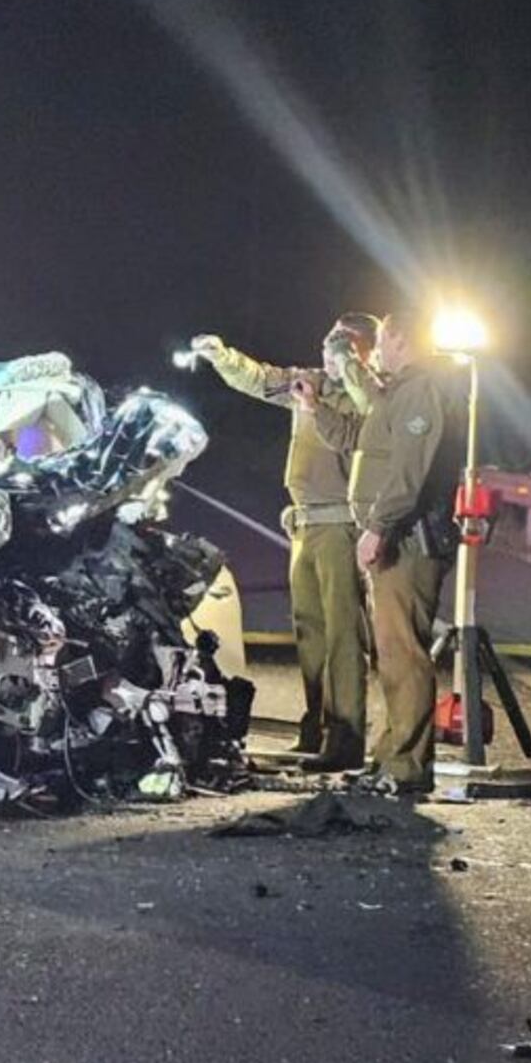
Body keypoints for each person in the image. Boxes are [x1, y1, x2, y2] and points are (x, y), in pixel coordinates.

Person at [190, 314, 379, 771]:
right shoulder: (309, 382)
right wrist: (222, 356)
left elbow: (358, 434)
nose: (329, 352)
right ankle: (315, 730)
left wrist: (321, 401)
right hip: (305, 524)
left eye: (342, 344)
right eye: (328, 342)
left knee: (343, 636)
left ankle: (346, 738)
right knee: (311, 634)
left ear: (364, 351)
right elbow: (261, 379)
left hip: (341, 525)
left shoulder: (371, 393)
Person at [306, 309, 465, 791]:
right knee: (392, 655)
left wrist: (378, 528)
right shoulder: (397, 392)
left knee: (404, 656)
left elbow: (408, 474)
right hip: (396, 538)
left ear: (399, 339)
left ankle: (407, 767)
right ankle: (392, 756)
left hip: (409, 541)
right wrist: (317, 407)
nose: (375, 353)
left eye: (380, 343)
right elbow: (362, 440)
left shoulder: (422, 390)